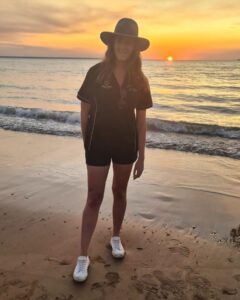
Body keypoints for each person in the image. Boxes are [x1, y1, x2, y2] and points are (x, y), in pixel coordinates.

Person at [73, 17, 153, 282]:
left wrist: (142, 154)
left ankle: (115, 237)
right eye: (120, 40)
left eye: (128, 42)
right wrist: (87, 141)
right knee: (94, 196)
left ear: (134, 47)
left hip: (125, 143)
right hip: (97, 143)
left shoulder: (140, 79)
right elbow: (85, 110)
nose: (123, 45)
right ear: (113, 43)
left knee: (120, 191)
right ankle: (82, 257)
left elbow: (141, 121)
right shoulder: (96, 73)